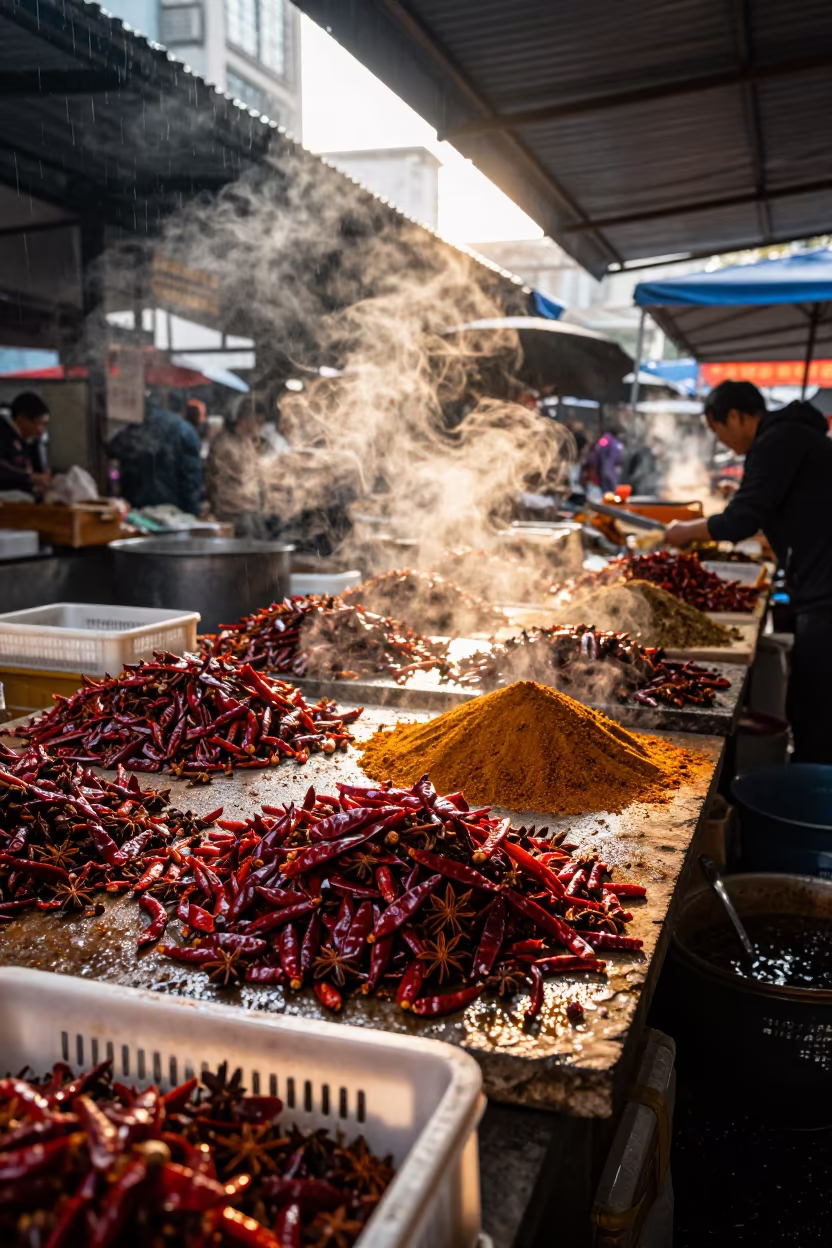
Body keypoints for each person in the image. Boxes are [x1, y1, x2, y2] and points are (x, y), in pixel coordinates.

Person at [665, 380, 832, 764]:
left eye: (718, 429)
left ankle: (812, 799)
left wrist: (685, 531)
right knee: (813, 704)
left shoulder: (776, 442)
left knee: (815, 710)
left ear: (737, 416)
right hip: (818, 581)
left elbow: (741, 519)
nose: (722, 441)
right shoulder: (794, 435)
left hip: (825, 593)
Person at [108, 393, 202, 516]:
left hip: (136, 509)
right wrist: (194, 513)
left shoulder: (136, 427)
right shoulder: (186, 431)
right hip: (173, 513)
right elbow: (191, 480)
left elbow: (112, 450)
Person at [205, 396, 267, 537]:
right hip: (232, 512)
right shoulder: (225, 446)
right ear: (245, 419)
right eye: (257, 421)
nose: (260, 426)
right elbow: (213, 482)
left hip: (251, 509)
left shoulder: (248, 442)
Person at [0, 391, 51, 497]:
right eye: (38, 424)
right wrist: (31, 477)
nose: (40, 431)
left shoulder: (30, 440)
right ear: (21, 419)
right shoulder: (3, 433)